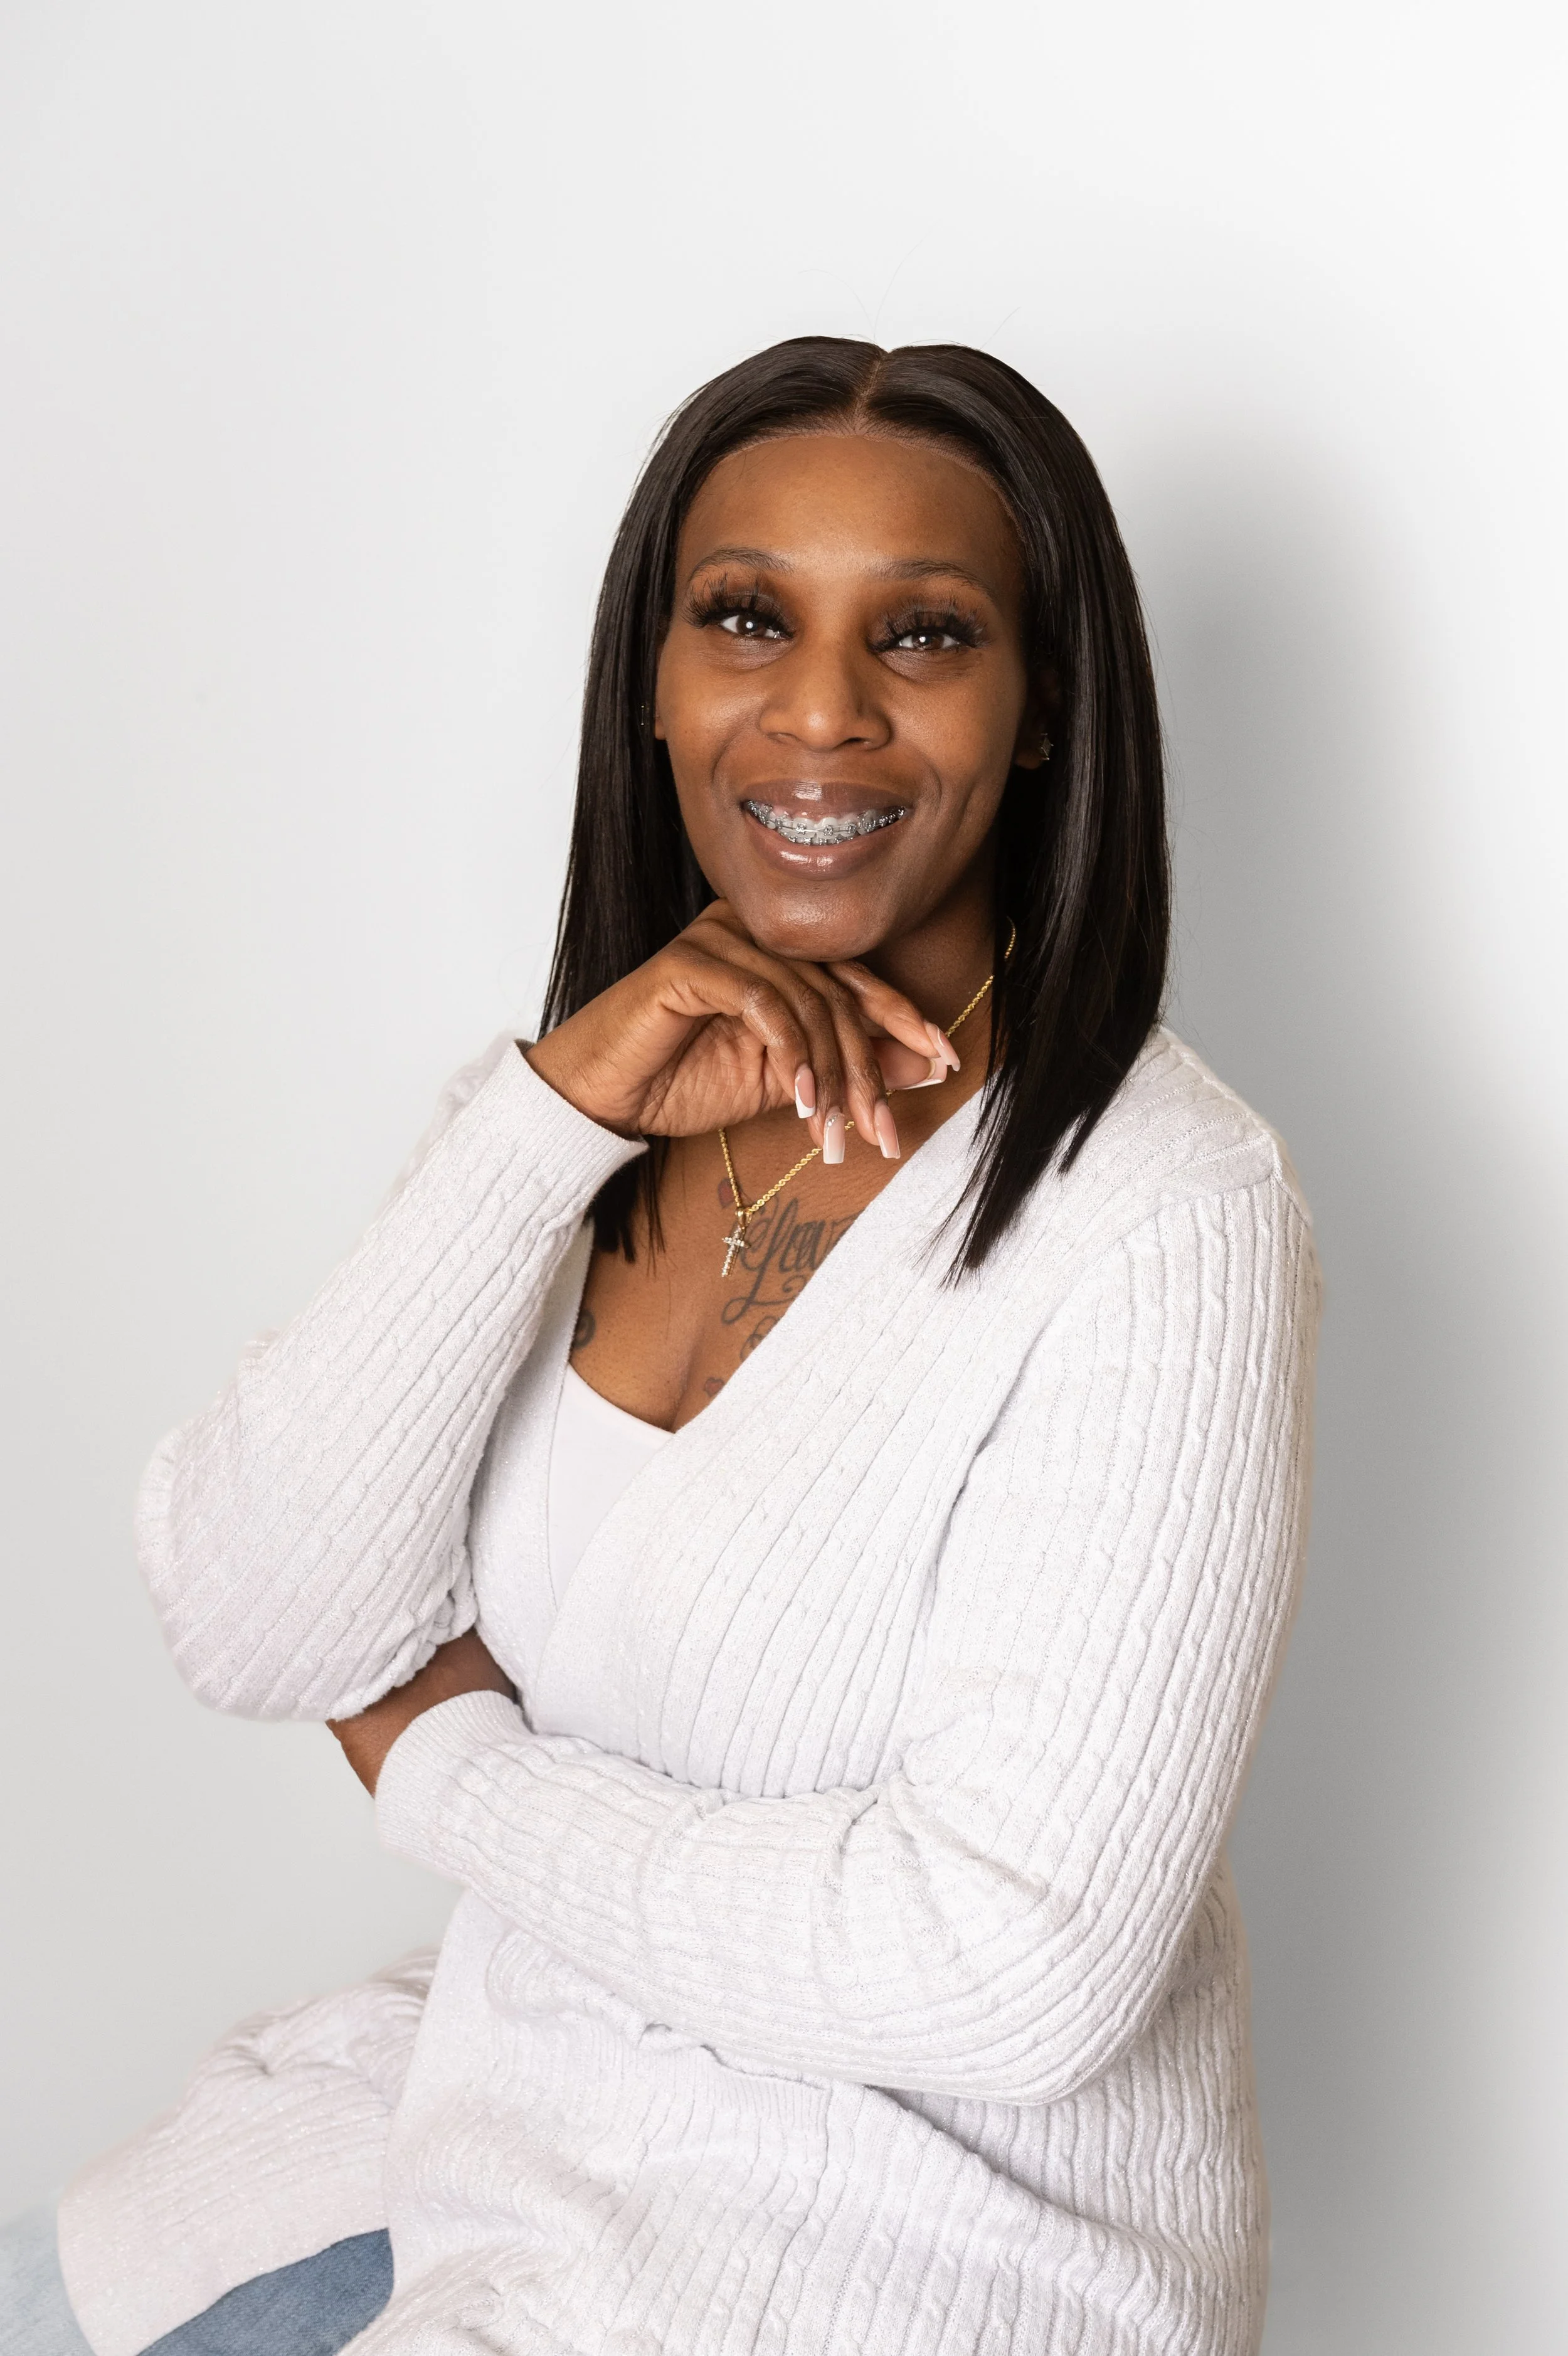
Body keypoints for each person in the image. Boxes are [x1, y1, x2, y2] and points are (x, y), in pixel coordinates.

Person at [1, 337, 1320, 2356]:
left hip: (900, 2272)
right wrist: (553, 1113)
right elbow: (255, 1608)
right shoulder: (569, 1128)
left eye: (926, 634)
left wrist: (448, 1768)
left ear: (1043, 705)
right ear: (651, 673)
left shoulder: (1166, 1217)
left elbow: (1011, 1967)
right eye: (742, 616)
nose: (817, 710)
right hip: (507, 2139)